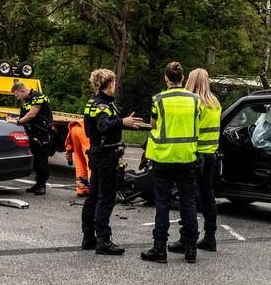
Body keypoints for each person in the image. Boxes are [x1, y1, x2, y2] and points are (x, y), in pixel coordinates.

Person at [142, 62, 201, 264]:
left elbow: (153, 124)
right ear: (182, 78)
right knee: (188, 203)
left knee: (162, 203)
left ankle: (159, 248)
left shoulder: (158, 100)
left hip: (164, 157)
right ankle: (191, 249)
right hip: (187, 157)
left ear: (166, 78)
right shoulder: (195, 100)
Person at [82, 68, 143, 256]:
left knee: (93, 195)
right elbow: (103, 126)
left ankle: (88, 237)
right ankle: (103, 240)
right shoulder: (102, 105)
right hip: (105, 154)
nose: (115, 85)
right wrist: (122, 122)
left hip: (97, 152)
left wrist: (122, 122)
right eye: (114, 82)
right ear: (109, 84)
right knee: (106, 197)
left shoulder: (94, 101)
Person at [168, 67, 221, 254]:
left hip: (195, 154)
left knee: (188, 198)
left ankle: (186, 238)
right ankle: (210, 237)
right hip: (211, 155)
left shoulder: (193, 103)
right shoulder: (215, 102)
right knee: (208, 196)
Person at [7, 82, 53, 195]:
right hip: (33, 133)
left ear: (23, 91)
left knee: (42, 160)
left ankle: (42, 186)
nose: (18, 98)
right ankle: (38, 184)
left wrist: (18, 121)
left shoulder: (38, 96)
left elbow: (32, 114)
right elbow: (24, 116)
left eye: (17, 95)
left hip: (43, 133)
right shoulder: (26, 101)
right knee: (36, 160)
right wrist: (14, 119)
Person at [64, 119, 91, 196]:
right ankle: (93, 190)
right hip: (84, 131)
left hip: (75, 128)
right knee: (91, 161)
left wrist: (69, 148)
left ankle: (82, 189)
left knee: (80, 161)